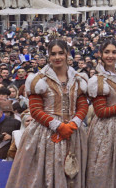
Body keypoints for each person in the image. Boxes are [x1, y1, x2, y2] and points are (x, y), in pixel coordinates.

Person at [6, 38, 90, 188]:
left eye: (60, 53)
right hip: (46, 132)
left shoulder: (79, 79)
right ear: (48, 56)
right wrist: (58, 126)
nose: (57, 57)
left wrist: (74, 123)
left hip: (74, 130)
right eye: (53, 54)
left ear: (67, 54)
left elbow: (82, 105)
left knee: (73, 171)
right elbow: (35, 110)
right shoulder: (38, 80)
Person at [85, 38, 116, 188]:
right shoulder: (98, 80)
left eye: (113, 52)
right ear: (100, 54)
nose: (110, 56)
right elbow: (100, 111)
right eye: (107, 52)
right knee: (106, 168)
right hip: (106, 129)